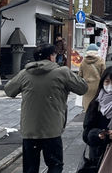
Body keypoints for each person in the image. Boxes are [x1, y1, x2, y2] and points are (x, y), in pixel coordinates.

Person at [5, 43, 88, 173]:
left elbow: (9, 90)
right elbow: (82, 88)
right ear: (51, 56)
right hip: (52, 129)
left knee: (30, 168)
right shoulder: (62, 73)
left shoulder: (25, 74)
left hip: (30, 129)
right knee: (55, 165)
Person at [79, 43, 106, 111]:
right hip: (97, 86)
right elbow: (104, 75)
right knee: (96, 105)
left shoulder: (83, 62)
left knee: (87, 104)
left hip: (86, 86)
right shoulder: (101, 61)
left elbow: (80, 75)